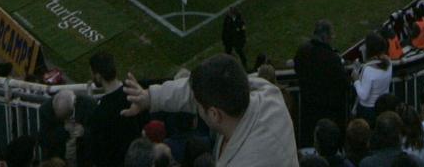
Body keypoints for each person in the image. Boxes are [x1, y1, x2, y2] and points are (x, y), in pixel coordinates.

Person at [123, 53, 296, 167]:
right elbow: (199, 89)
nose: (194, 104)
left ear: (214, 114)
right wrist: (151, 97)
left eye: (197, 105)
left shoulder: (250, 160)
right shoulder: (266, 93)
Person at [294, 21, 353, 144]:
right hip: (329, 112)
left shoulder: (302, 52)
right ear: (325, 36)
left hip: (308, 110)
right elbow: (344, 83)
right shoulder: (332, 58)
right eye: (331, 36)